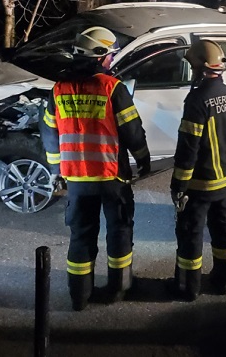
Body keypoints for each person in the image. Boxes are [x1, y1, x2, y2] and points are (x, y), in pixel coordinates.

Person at [40, 26, 151, 310]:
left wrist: (55, 170)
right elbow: (132, 130)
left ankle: (79, 295)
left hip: (76, 178)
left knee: (81, 235)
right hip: (111, 175)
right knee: (119, 230)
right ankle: (118, 288)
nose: (112, 60)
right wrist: (143, 159)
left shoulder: (59, 89)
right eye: (110, 55)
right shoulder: (112, 87)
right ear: (100, 55)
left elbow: (49, 133)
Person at [168, 39, 226, 301]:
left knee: (191, 234)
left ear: (200, 68)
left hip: (200, 185)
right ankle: (224, 280)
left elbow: (189, 148)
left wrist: (179, 185)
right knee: (224, 232)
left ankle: (188, 288)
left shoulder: (197, 100)